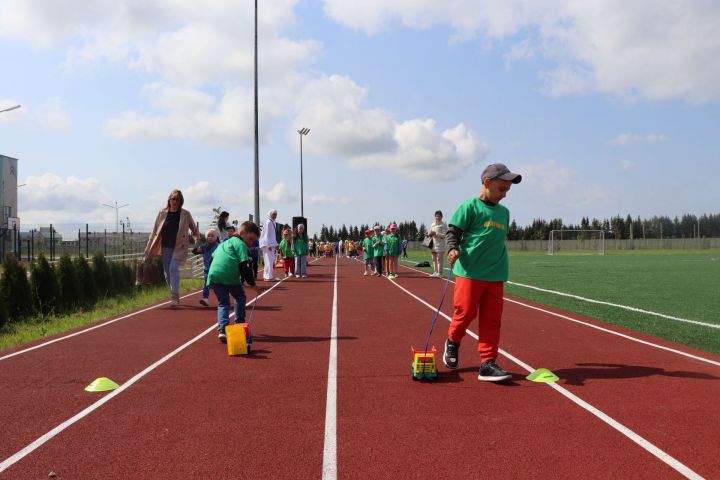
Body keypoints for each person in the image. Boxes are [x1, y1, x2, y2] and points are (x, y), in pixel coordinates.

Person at [443, 163, 522, 382]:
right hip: (470, 271)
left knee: (492, 320)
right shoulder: (469, 207)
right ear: (487, 183)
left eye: (508, 190)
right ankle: (452, 342)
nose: (504, 195)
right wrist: (452, 248)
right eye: (501, 189)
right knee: (465, 312)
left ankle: (487, 363)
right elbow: (453, 233)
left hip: (496, 274)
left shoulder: (504, 213)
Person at [144, 189, 201, 307]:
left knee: (173, 268)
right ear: (169, 200)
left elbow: (194, 229)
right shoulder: (162, 212)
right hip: (165, 246)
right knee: (167, 273)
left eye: (178, 199)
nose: (175, 201)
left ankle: (174, 296)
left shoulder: (185, 214)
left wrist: (197, 241)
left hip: (180, 246)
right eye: (173, 199)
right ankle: (174, 293)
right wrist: (148, 246)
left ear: (181, 201)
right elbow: (154, 230)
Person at [206, 221, 259, 343]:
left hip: (214, 275)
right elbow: (244, 267)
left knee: (223, 303)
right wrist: (252, 284)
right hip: (228, 275)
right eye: (250, 239)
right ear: (242, 233)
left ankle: (223, 331)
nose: (251, 243)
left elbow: (212, 258)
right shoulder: (241, 245)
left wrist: (210, 275)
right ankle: (239, 326)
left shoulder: (224, 243)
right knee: (240, 297)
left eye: (253, 241)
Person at [192, 228, 220, 306]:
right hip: (207, 270)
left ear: (216, 237)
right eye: (208, 236)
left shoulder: (219, 246)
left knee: (217, 286)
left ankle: (222, 298)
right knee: (206, 284)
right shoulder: (204, 247)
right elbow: (195, 251)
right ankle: (205, 298)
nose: (210, 237)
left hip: (217, 270)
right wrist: (196, 243)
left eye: (212, 236)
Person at [259, 209, 279, 281]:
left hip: (271, 244)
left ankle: (267, 275)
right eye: (273, 214)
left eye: (276, 214)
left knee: (269, 261)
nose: (275, 216)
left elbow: (272, 235)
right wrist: (268, 245)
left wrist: (275, 244)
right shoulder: (268, 222)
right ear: (270, 214)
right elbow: (266, 235)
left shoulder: (272, 222)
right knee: (269, 261)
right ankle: (268, 277)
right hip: (268, 245)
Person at [429, 210, 448, 277]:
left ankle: (440, 273)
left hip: (440, 245)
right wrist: (430, 234)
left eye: (439, 216)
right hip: (433, 244)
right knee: (433, 259)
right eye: (436, 216)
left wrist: (436, 233)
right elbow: (429, 232)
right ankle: (435, 272)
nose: (437, 217)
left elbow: (445, 235)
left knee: (439, 259)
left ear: (441, 217)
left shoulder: (443, 224)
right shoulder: (432, 224)